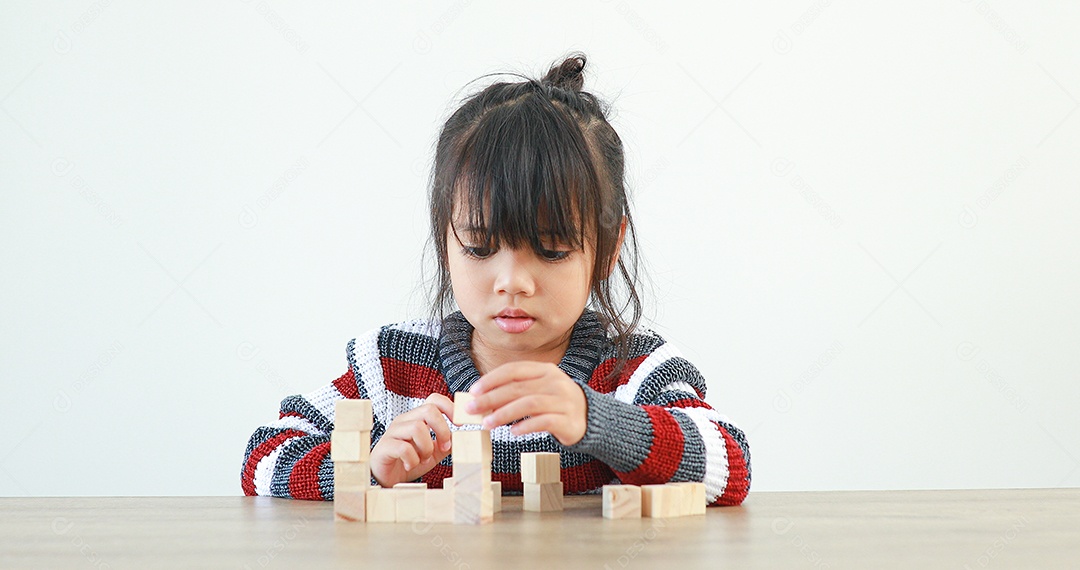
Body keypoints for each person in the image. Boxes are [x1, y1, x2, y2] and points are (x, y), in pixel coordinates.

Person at [241, 52, 751, 506]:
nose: (512, 282)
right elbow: (263, 457)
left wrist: (596, 420)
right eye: (480, 247)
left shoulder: (632, 372)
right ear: (444, 236)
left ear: (609, 247)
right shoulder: (391, 369)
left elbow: (730, 464)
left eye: (551, 250)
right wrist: (366, 470)